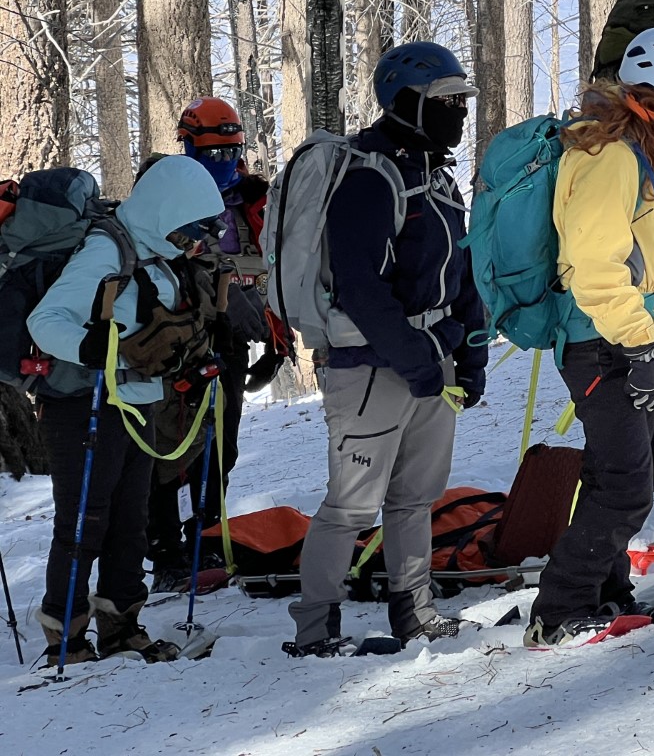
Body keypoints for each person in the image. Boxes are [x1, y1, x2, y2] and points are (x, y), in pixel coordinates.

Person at [285, 41, 488, 657]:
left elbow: (462, 274)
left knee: (415, 500)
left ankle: (415, 613)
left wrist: (470, 355)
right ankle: (315, 630)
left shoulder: (437, 176)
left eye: (461, 100)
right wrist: (418, 361)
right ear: (406, 100)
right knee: (352, 505)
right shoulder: (369, 176)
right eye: (447, 100)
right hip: (370, 367)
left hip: (430, 361)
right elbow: (360, 286)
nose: (460, 111)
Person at [525, 27, 654, 648]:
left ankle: (607, 594)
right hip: (603, 341)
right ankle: (559, 611)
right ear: (651, 100)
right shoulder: (608, 158)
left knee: (614, 476)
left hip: (622, 336)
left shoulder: (641, 153)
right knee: (628, 487)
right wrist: (639, 345)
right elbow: (594, 266)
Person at [29, 156, 225, 665]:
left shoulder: (158, 254)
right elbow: (44, 321)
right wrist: (92, 349)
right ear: (165, 212)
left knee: (130, 520)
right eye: (189, 229)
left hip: (137, 402)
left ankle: (121, 627)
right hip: (84, 404)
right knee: (84, 522)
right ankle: (67, 638)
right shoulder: (106, 250)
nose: (195, 241)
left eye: (201, 231)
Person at [146, 98, 284, 590]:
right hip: (175, 343)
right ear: (187, 146)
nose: (224, 161)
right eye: (212, 152)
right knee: (169, 448)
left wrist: (277, 342)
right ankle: (165, 552)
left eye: (231, 151)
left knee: (221, 446)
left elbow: (271, 269)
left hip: (231, 342)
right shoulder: (165, 194)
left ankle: (207, 535)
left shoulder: (252, 201)